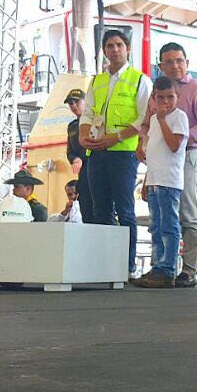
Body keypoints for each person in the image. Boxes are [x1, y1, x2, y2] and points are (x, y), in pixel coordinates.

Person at [80, 30, 152, 276]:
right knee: (100, 210)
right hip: (96, 153)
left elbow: (143, 117)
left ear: (128, 48)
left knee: (125, 210)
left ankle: (127, 265)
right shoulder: (96, 81)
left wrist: (116, 137)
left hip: (122, 154)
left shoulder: (140, 79)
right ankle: (103, 265)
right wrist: (83, 134)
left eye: (119, 45)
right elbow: (88, 112)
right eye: (110, 46)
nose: (115, 50)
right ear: (104, 50)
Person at [147, 43, 197, 287]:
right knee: (160, 216)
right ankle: (162, 266)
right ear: (161, 66)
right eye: (169, 61)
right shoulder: (157, 92)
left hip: (187, 155)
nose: (175, 65)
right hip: (160, 160)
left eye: (179, 60)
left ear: (187, 62)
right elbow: (149, 121)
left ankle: (188, 269)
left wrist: (181, 136)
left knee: (187, 213)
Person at [133, 77, 190, 289]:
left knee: (169, 225)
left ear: (178, 97)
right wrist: (147, 180)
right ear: (153, 99)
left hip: (169, 180)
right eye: (160, 98)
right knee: (156, 226)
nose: (165, 102)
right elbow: (154, 153)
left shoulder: (178, 117)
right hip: (156, 177)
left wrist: (164, 119)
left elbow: (174, 145)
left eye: (170, 97)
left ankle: (167, 269)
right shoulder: (155, 120)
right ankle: (157, 265)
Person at [63, 88, 92, 223]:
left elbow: (95, 146)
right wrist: (75, 159)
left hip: (96, 169)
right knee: (84, 207)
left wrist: (84, 158)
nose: (73, 106)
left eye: (76, 102)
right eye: (70, 104)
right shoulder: (72, 126)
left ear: (85, 102)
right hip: (83, 175)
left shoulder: (95, 121)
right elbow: (70, 151)